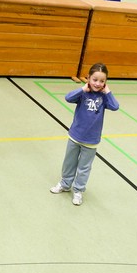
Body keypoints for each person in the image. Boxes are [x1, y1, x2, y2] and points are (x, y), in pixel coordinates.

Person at [49, 63, 119, 206]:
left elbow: (115, 106)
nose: (98, 84)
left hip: (91, 141)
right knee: (69, 162)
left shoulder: (104, 97)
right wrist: (82, 89)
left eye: (102, 81)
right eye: (95, 79)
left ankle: (78, 190)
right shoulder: (83, 94)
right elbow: (68, 98)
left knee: (84, 167)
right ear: (88, 78)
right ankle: (65, 183)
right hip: (75, 136)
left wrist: (108, 92)